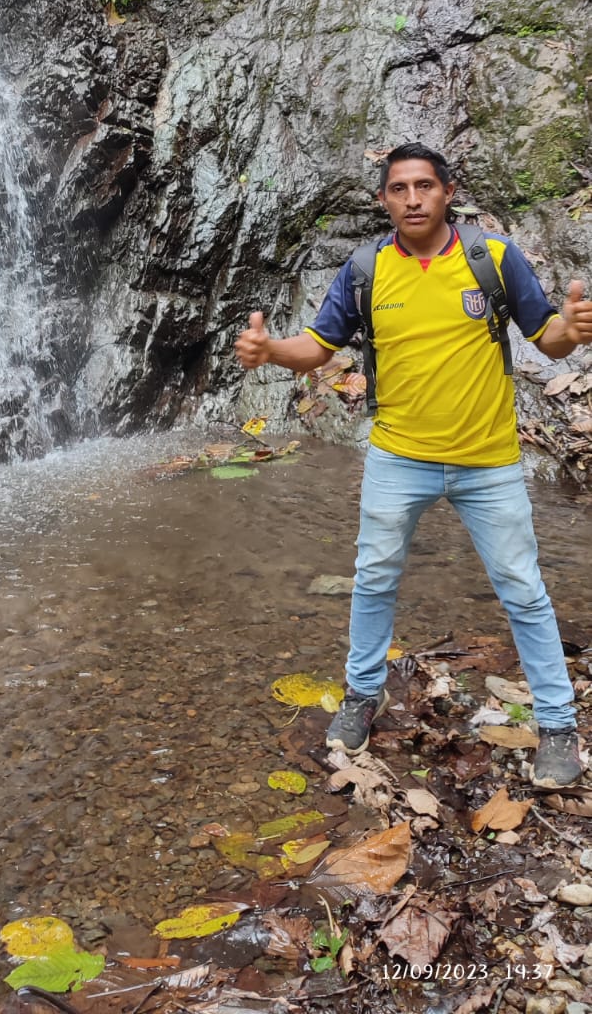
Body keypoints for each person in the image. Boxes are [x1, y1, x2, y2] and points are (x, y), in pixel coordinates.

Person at [235, 143, 591, 788]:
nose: (413, 198)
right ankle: (362, 693)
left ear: (448, 192)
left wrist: (573, 326)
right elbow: (317, 346)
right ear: (383, 200)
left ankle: (558, 723)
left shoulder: (492, 258)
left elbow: (550, 339)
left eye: (425, 185)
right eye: (398, 189)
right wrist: (269, 350)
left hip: (488, 460)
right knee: (374, 579)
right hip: (398, 456)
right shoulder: (366, 268)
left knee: (523, 589)